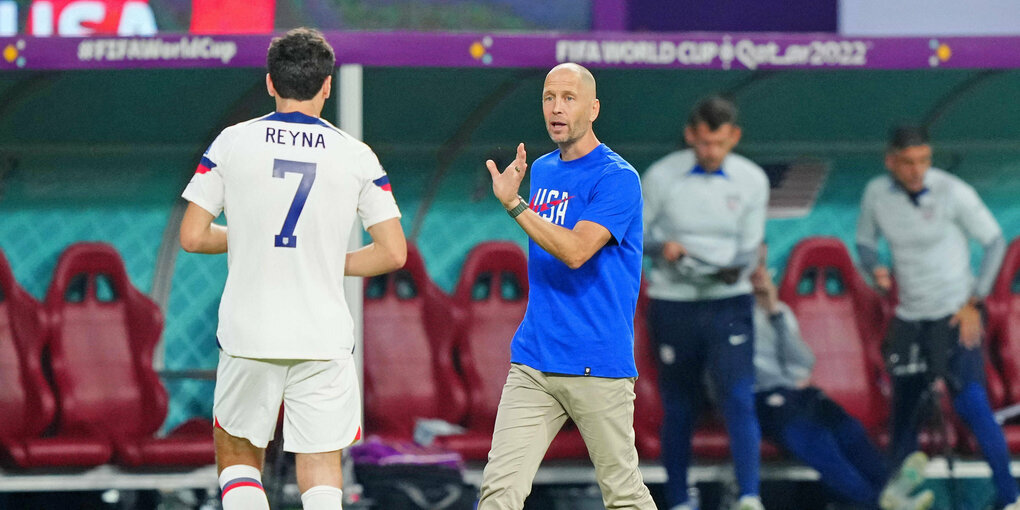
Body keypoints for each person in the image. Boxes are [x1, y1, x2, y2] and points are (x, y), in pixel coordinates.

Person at [179, 28, 407, 510]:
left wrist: (245, 240)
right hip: (322, 334)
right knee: (322, 464)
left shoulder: (232, 142)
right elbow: (392, 252)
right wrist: (323, 261)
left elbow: (193, 236)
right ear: (327, 86)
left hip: (249, 333)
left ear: (269, 83)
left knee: (238, 453)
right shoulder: (356, 155)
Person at [478, 62, 655, 510]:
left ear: (593, 108)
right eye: (548, 97)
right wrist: (520, 203)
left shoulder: (618, 178)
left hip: (597, 362)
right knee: (499, 491)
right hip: (535, 361)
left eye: (569, 98)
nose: (556, 108)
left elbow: (576, 251)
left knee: (624, 495)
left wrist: (515, 206)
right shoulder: (543, 169)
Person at [856, 126, 1019, 510]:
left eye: (924, 161)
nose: (917, 171)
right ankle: (898, 497)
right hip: (910, 319)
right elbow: (864, 241)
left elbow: (994, 241)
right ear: (890, 161)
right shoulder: (876, 194)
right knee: (905, 410)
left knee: (973, 406)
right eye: (908, 163)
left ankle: (1010, 497)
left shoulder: (952, 191)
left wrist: (974, 301)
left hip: (953, 316)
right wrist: (874, 268)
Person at [641, 96, 769, 510]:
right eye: (703, 143)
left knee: (738, 397)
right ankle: (679, 499)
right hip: (673, 303)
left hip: (728, 303)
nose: (710, 152)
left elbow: (750, 248)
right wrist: (663, 249)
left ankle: (749, 496)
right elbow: (628, 235)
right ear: (690, 135)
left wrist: (735, 269)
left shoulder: (752, 180)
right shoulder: (661, 177)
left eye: (719, 143)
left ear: (734, 137)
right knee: (679, 403)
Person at [750, 244, 934, 510]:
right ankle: (876, 503)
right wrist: (790, 377)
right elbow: (754, 373)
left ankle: (891, 492)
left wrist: (775, 314)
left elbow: (804, 363)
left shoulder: (780, 313)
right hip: (760, 398)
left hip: (797, 392)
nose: (759, 274)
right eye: (752, 266)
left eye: (762, 266)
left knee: (848, 428)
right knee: (818, 439)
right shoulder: (729, 316)